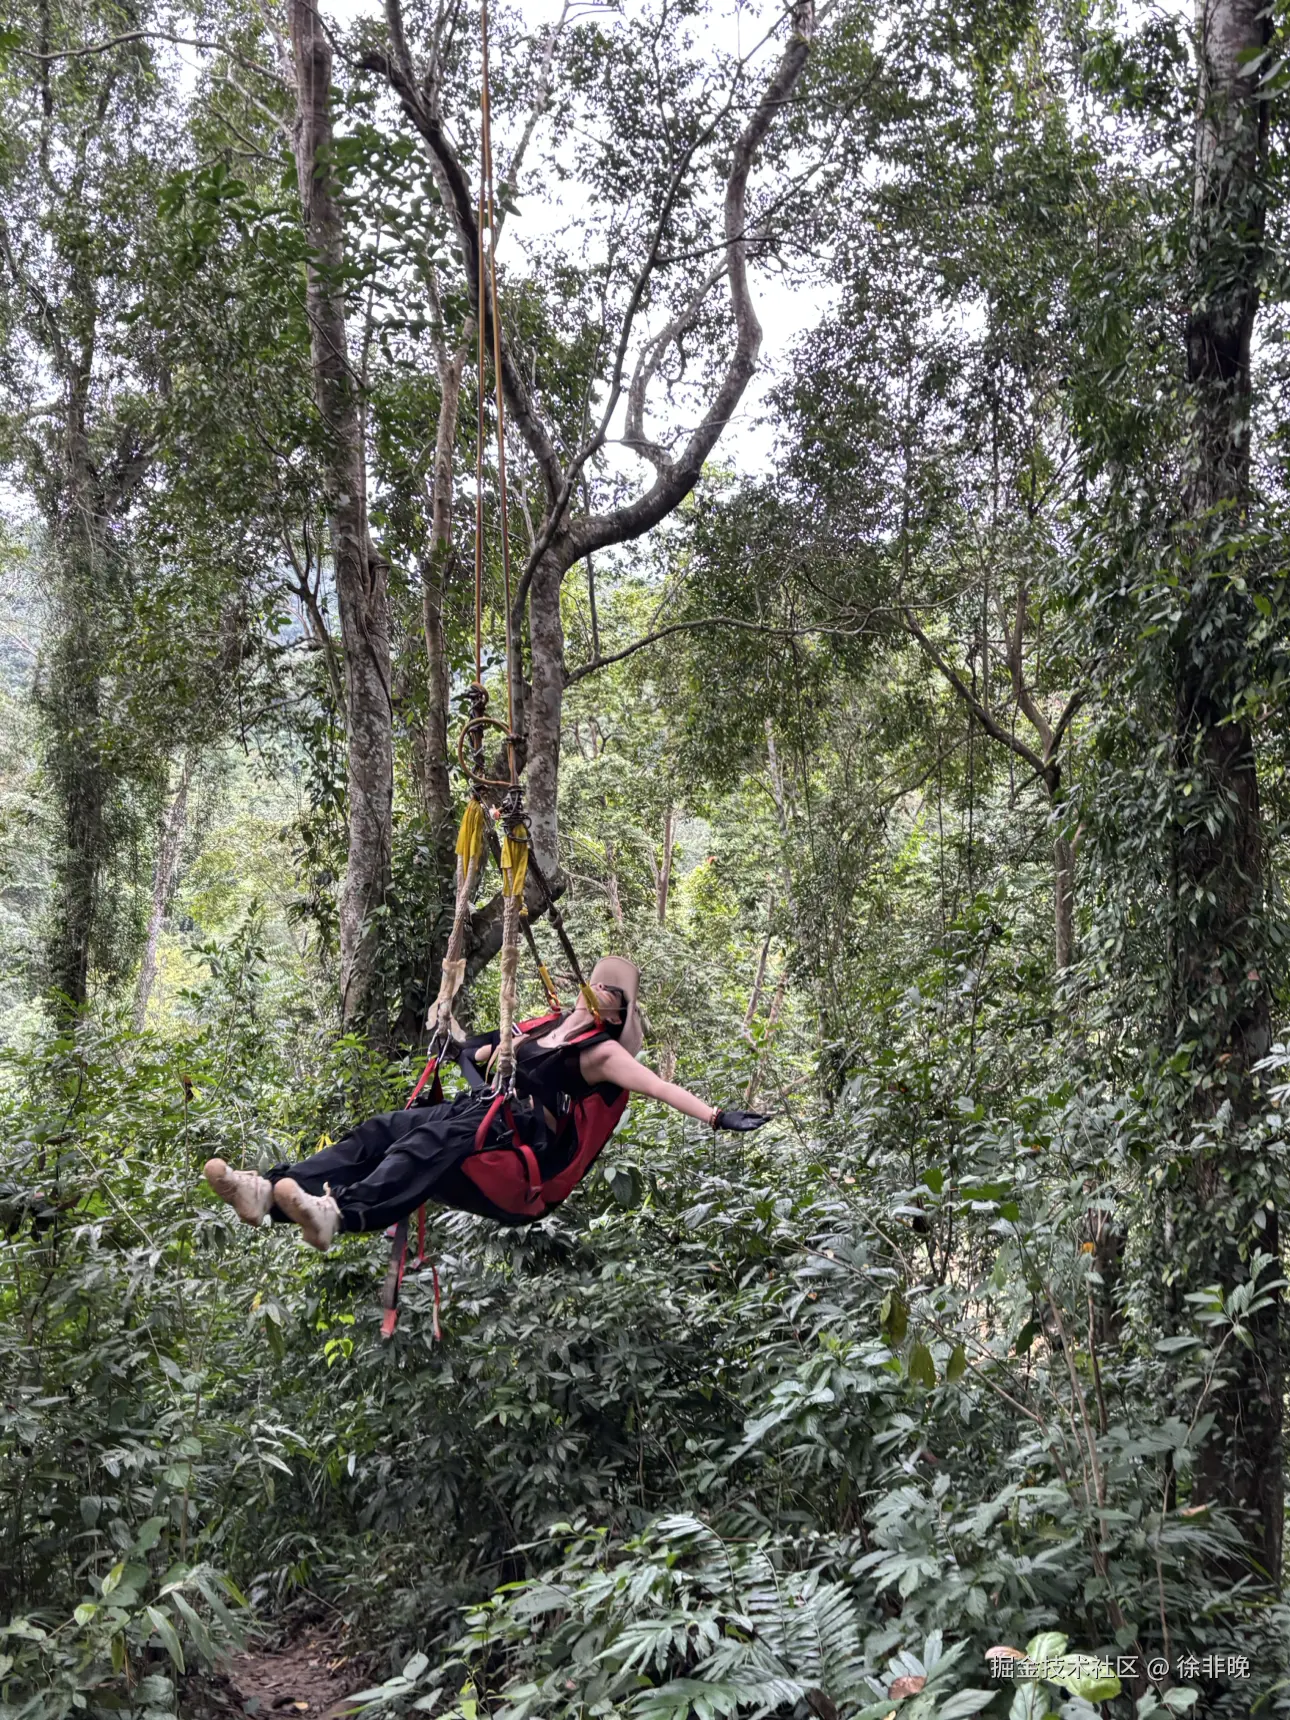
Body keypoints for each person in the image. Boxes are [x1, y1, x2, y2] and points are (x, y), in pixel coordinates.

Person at [203, 957, 767, 1252]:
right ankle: (267, 1194)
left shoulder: (601, 1053)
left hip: (519, 1136)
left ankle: (341, 1213)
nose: (599, 989)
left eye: (612, 992)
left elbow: (658, 1087)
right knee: (382, 1131)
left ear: (615, 1015)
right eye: (598, 983)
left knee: (423, 1146)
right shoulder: (543, 1026)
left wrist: (716, 1116)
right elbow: (482, 1051)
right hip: (482, 1108)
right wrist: (456, 1038)